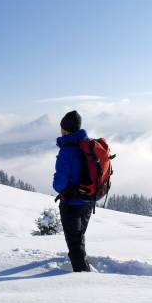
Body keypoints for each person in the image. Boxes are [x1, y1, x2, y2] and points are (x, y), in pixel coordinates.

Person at [53, 110, 92, 272]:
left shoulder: (67, 151)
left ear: (66, 129)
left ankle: (82, 279)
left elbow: (59, 184)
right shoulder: (87, 144)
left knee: (74, 243)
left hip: (72, 203)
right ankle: (82, 266)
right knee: (79, 237)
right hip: (88, 199)